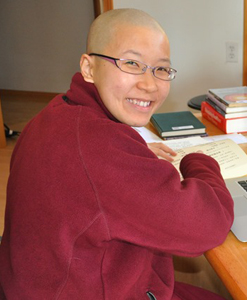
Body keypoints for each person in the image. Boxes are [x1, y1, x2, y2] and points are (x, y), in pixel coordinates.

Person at [0, 9, 234, 300]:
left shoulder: (57, 113)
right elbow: (208, 226)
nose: (149, 84)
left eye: (161, 69)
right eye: (131, 63)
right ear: (89, 67)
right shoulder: (100, 147)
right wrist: (198, 161)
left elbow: (89, 172)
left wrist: (134, 153)